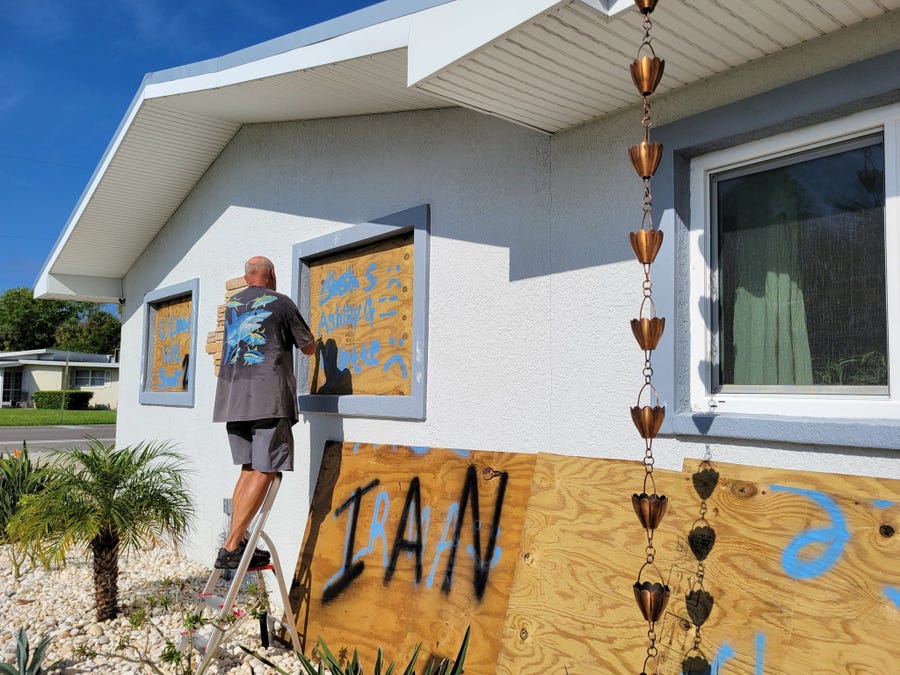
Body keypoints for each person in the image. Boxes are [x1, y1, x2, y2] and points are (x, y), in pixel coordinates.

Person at [212, 255, 316, 569]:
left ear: (247, 278)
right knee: (266, 469)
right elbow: (308, 346)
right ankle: (232, 546)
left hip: (233, 398)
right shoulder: (281, 303)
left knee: (248, 468)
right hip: (268, 397)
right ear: (271, 274)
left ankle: (237, 541)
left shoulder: (232, 306)